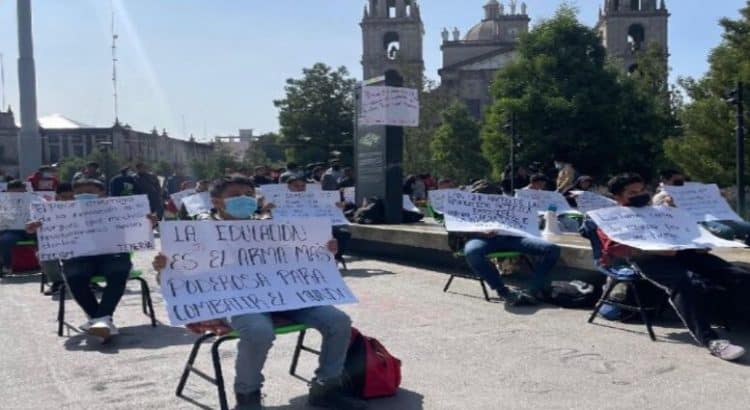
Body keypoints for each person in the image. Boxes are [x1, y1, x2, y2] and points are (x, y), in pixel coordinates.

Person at [152, 176, 366, 410]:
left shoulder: (273, 226)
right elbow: (175, 281)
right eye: (235, 195)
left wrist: (324, 250)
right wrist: (164, 268)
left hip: (286, 295)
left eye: (248, 194)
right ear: (217, 202)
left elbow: (302, 257)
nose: (244, 199)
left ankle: (326, 388)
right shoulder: (197, 234)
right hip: (233, 301)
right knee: (258, 331)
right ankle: (248, 397)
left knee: (338, 321)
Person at [597, 173, 746, 361]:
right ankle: (711, 341)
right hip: (649, 259)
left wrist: (699, 243)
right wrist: (655, 251)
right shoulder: (611, 219)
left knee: (736, 274)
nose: (640, 195)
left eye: (642, 190)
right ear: (617, 197)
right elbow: (614, 249)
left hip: (682, 252)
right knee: (685, 284)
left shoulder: (659, 211)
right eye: (632, 193)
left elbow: (686, 231)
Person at [27, 179, 155, 340]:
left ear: (103, 194)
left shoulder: (119, 211)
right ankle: (102, 320)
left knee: (119, 271)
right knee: (74, 276)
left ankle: (99, 320)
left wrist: (148, 223)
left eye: (90, 192)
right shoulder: (60, 214)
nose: (83, 196)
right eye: (79, 193)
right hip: (79, 259)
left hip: (112, 256)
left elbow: (136, 233)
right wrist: (36, 228)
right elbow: (48, 232)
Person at [286, 175, 350, 265]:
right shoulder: (278, 200)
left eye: (303, 186)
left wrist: (339, 208)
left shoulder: (315, 197)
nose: (300, 188)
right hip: (293, 229)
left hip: (317, 226)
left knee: (343, 233)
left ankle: (335, 257)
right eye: (296, 186)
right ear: (288, 186)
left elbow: (327, 213)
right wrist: (267, 208)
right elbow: (264, 215)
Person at [40, 183, 75, 295]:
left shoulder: (85, 209)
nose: (68, 200)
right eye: (64, 197)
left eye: (72, 197)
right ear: (57, 197)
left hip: (80, 244)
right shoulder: (46, 211)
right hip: (57, 244)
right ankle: (57, 282)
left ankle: (88, 281)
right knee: (44, 253)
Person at [0, 180, 35, 274]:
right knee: (4, 241)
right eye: (15, 191)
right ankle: (7, 266)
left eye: (21, 190)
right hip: (12, 231)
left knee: (45, 238)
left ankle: (47, 265)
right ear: (8, 191)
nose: (18, 193)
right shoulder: (2, 200)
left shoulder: (33, 198)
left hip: (33, 229)